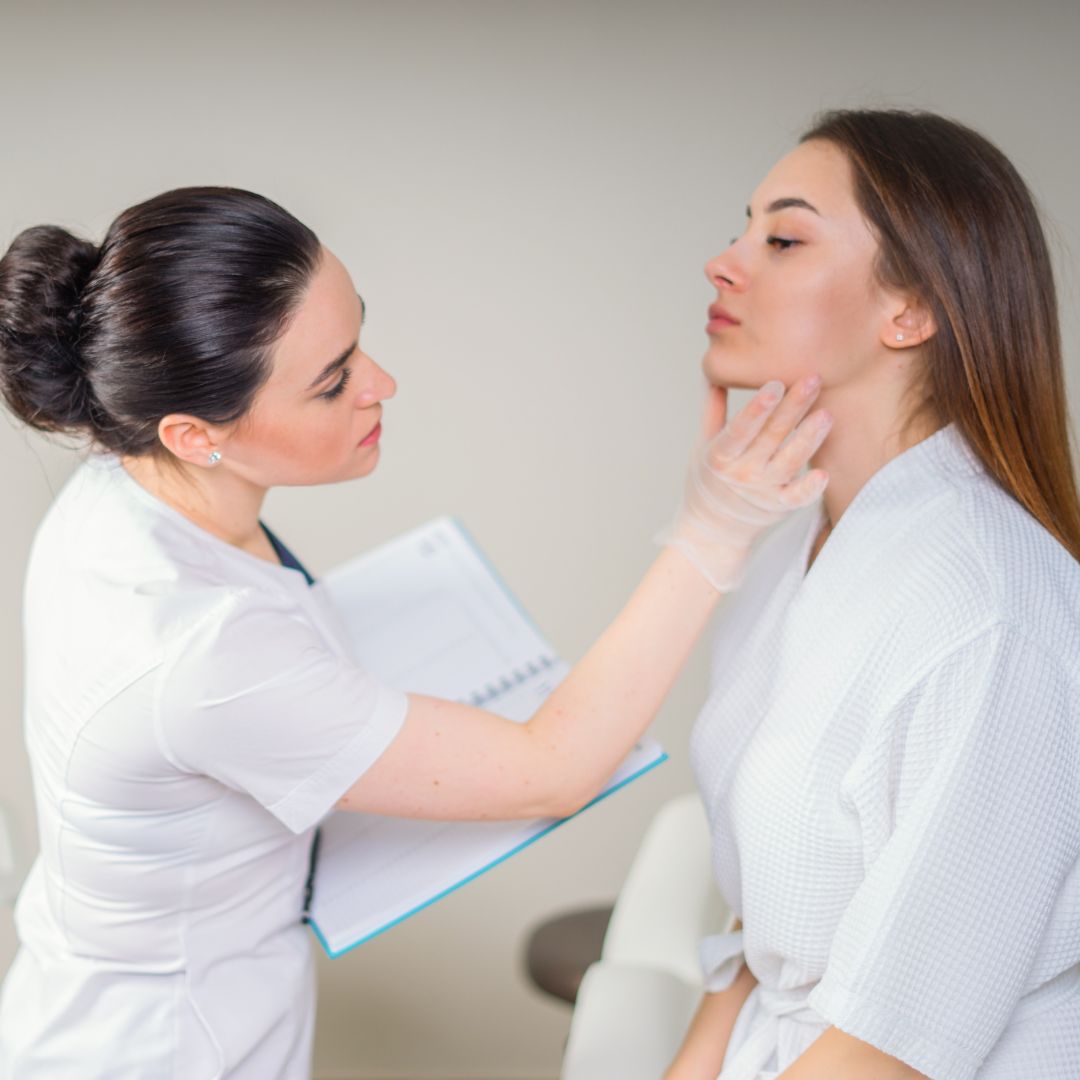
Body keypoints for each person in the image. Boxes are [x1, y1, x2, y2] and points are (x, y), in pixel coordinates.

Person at [0, 187, 830, 1078]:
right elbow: (554, 770)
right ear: (195, 434)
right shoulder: (205, 652)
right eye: (334, 381)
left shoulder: (123, 476)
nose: (381, 384)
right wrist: (712, 532)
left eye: (356, 339)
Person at [663, 109, 1080, 1080]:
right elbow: (766, 918)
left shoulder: (996, 614)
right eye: (743, 229)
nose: (724, 263)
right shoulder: (792, 552)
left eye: (784, 238)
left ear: (912, 309)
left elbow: (893, 1044)